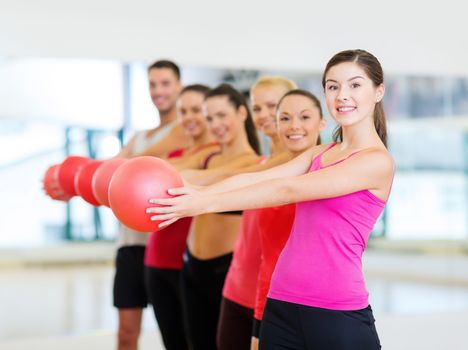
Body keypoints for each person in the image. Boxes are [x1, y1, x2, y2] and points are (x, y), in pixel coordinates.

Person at [147, 49, 394, 350]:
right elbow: (261, 176)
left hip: (337, 311)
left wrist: (202, 204)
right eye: (333, 86)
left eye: (355, 85)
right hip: (281, 302)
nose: (343, 95)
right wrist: (195, 192)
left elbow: (288, 189)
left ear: (378, 91)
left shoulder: (376, 162)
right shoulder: (321, 152)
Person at [216, 76, 297, 350]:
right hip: (235, 289)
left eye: (272, 106)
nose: (263, 115)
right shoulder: (261, 162)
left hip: (272, 298)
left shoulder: (301, 164)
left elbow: (227, 178)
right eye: (257, 108)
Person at [178, 84, 260, 350]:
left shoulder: (254, 163)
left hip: (224, 271)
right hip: (191, 267)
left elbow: (206, 179)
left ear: (241, 113)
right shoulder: (209, 155)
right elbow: (174, 168)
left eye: (222, 115)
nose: (215, 124)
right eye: (209, 118)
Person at [113, 59, 184, 350]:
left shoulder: (187, 129)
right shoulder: (139, 137)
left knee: (177, 334)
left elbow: (122, 166)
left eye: (165, 83)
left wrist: (123, 165)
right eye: (152, 85)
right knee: (126, 334)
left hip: (166, 247)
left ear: (179, 86)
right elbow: (110, 172)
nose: (158, 91)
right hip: (130, 243)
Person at [143, 84, 218, 350]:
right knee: (172, 343)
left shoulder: (215, 156)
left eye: (196, 110)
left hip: (188, 264)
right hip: (156, 259)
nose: (189, 117)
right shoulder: (172, 156)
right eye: (183, 111)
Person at [251, 89, 325, 350]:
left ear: (322, 123)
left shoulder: (334, 173)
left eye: (305, 117)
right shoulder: (270, 173)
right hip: (270, 296)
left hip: (320, 302)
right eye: (285, 118)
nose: (294, 126)